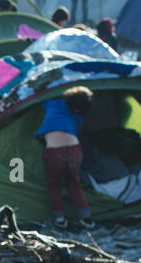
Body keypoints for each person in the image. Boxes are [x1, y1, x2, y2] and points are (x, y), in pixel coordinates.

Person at [36, 85, 94, 229]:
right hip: (74, 150)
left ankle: (60, 219)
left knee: (54, 184)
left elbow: (42, 98)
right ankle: (86, 218)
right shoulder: (78, 116)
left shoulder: (54, 104)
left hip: (55, 152)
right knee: (74, 183)